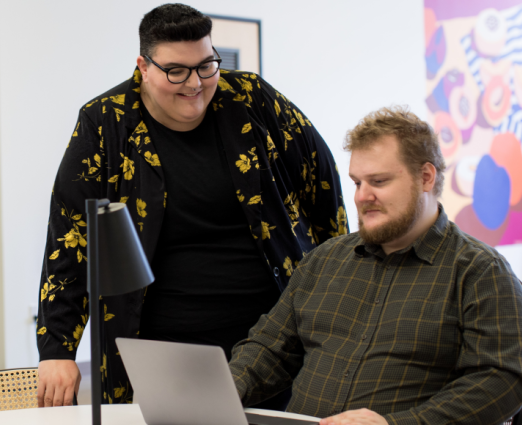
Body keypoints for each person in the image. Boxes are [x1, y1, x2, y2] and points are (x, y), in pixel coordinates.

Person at [36, 3, 347, 408]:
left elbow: (322, 188)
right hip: (162, 346)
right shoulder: (105, 123)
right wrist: (57, 349)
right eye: (176, 71)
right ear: (143, 67)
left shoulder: (252, 99)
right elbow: (72, 237)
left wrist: (341, 294)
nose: (194, 83)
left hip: (272, 340)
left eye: (206, 66)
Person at [229, 106, 522, 424]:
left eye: (378, 181)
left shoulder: (480, 272)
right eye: (357, 183)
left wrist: (394, 424)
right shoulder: (325, 260)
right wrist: (224, 389)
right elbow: (270, 348)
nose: (362, 196)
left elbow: (501, 382)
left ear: (425, 177)